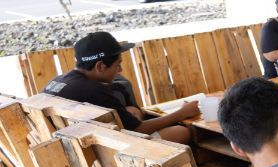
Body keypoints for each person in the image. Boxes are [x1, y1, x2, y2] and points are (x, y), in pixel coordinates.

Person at [43, 32, 197, 144]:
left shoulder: (59, 81)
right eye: (118, 65)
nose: (120, 71)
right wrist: (182, 113)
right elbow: (139, 130)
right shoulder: (95, 91)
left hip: (74, 146)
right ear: (100, 66)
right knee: (180, 132)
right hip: (108, 154)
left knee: (134, 112)